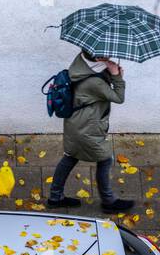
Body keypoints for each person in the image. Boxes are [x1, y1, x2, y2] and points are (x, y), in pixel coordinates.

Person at [47, 50, 135, 213]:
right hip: (86, 128)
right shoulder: (94, 82)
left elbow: (98, 82)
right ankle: (109, 201)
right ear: (96, 57)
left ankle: (55, 197)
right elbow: (118, 97)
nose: (108, 57)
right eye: (104, 55)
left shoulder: (80, 62)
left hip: (76, 122)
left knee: (70, 157)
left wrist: (110, 70)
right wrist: (117, 76)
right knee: (105, 159)